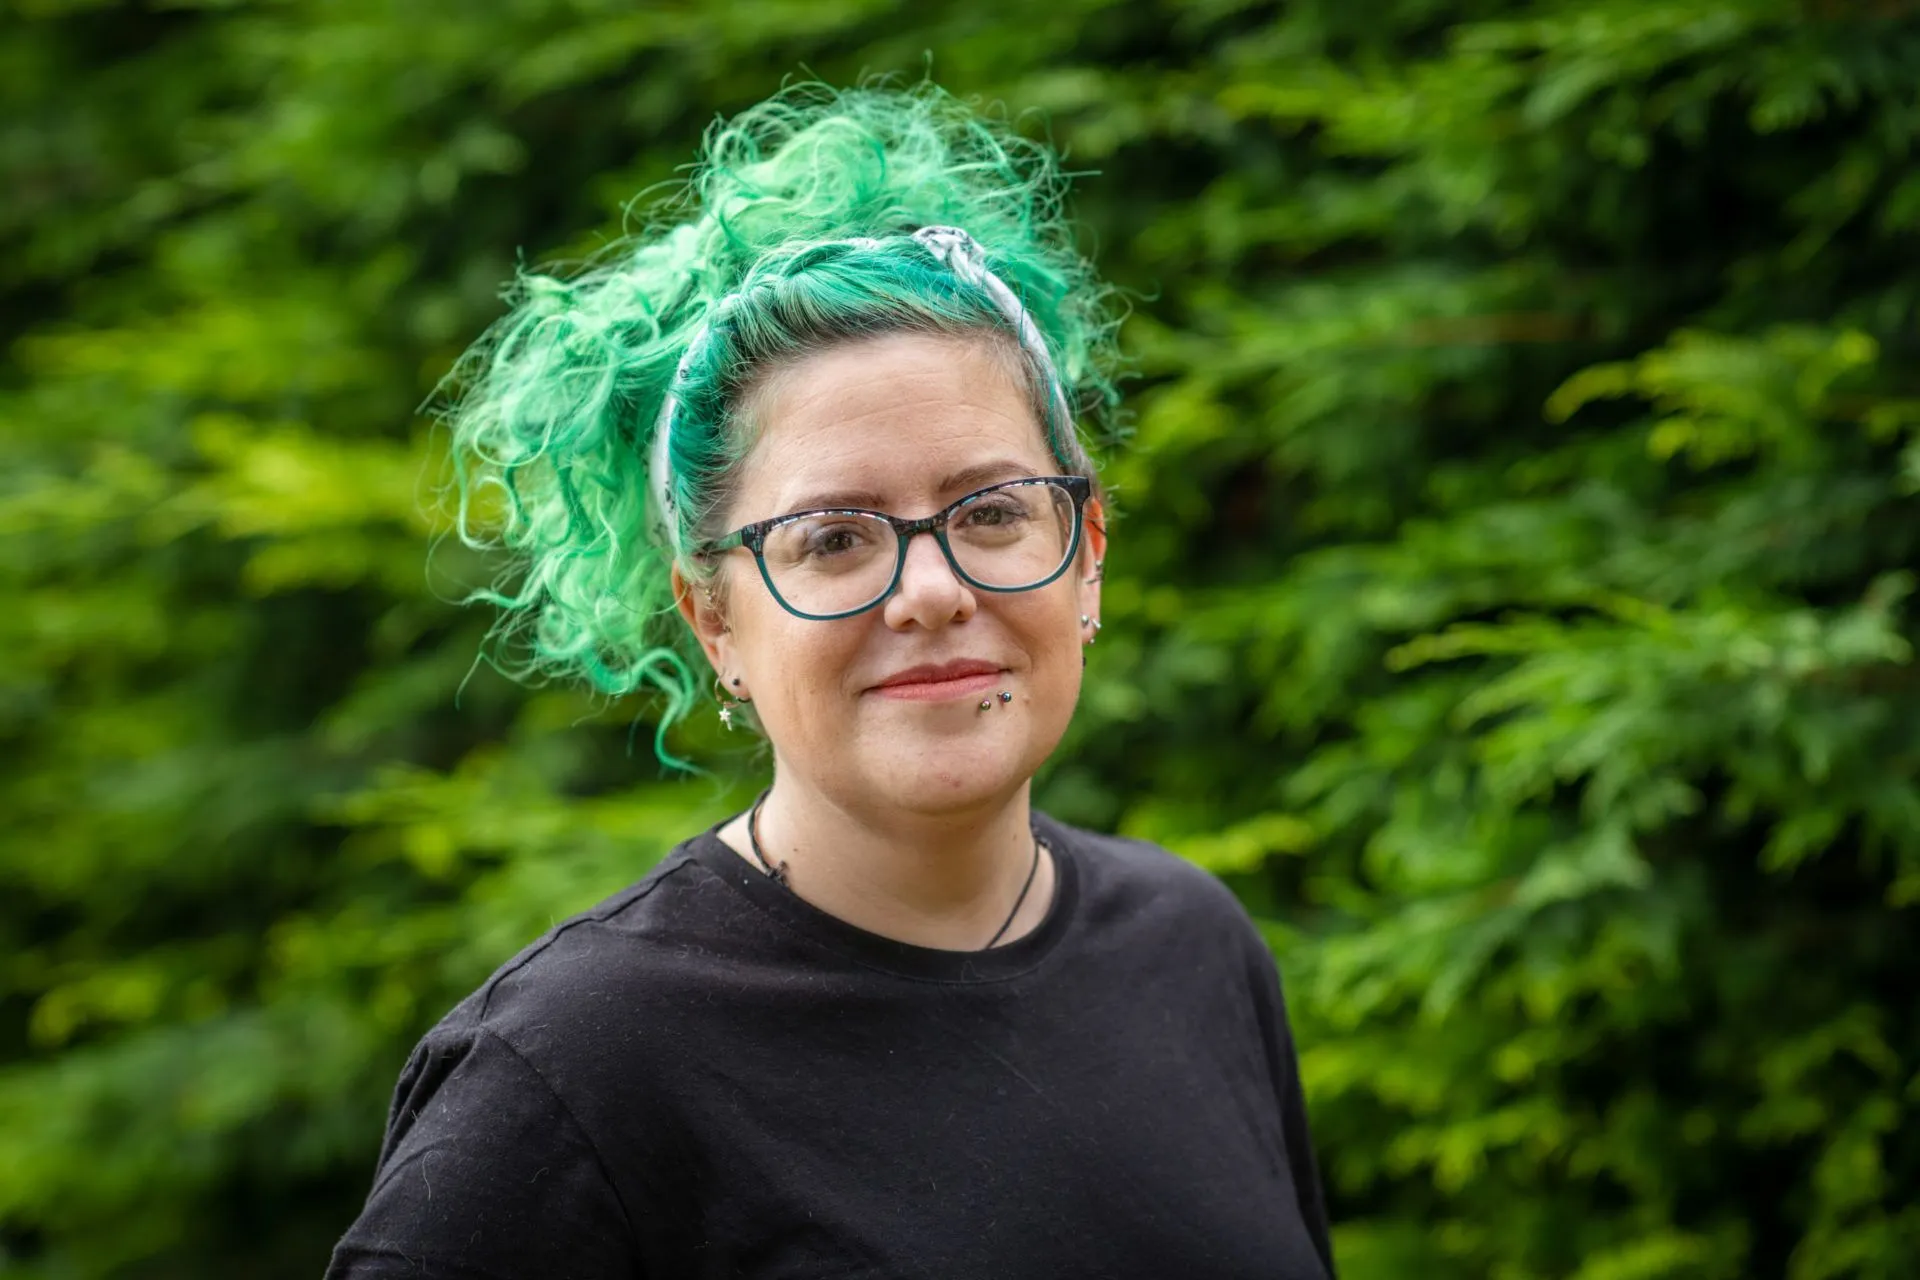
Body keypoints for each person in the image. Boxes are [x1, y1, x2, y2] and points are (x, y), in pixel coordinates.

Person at [326, 80, 1335, 1280]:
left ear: (1088, 553)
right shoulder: (574, 1074)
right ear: (715, 620)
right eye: (835, 537)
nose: (931, 590)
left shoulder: (1194, 946)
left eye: (993, 510)